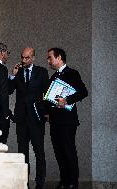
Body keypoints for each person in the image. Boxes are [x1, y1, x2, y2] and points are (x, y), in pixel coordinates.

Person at [46, 48, 88, 189]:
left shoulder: (72, 73)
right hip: (55, 121)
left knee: (69, 152)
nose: (48, 61)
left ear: (59, 58)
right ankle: (64, 181)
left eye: (50, 57)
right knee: (59, 153)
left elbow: (83, 92)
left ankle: (72, 183)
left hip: (67, 122)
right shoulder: (53, 77)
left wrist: (67, 100)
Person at [9, 47, 49, 189]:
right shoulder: (18, 71)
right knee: (22, 152)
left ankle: (40, 183)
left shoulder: (42, 72)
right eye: (22, 57)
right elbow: (9, 90)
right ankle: (23, 182)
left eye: (27, 58)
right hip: (21, 119)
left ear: (33, 58)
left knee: (39, 152)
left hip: (36, 118)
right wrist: (12, 75)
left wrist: (45, 113)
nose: (23, 60)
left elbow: (47, 94)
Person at [0, 43, 12, 144]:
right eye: (7, 53)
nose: (7, 55)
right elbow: (4, 92)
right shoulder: (2, 69)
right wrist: (6, 113)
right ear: (2, 53)